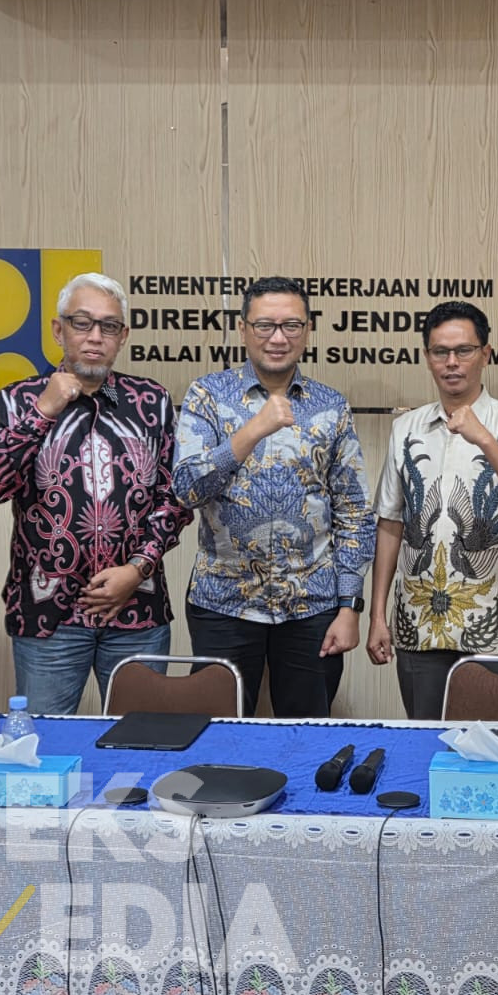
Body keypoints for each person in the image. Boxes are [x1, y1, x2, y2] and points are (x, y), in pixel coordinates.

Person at [0, 272, 192, 714]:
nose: (95, 337)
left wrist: (138, 568)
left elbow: (176, 497)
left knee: (141, 740)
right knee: (46, 743)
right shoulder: (19, 399)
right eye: (82, 323)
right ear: (59, 330)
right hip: (48, 617)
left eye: (108, 326)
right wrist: (44, 411)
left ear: (123, 336)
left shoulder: (151, 401)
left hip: (137, 609)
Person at [172, 276, 376, 717]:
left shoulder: (330, 406)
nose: (278, 338)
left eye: (291, 326)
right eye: (265, 325)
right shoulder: (207, 395)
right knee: (219, 732)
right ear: (243, 329)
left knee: (307, 733)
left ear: (307, 330)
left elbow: (355, 513)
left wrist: (349, 606)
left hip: (312, 606)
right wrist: (251, 431)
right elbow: (185, 489)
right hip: (223, 602)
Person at [366, 301, 498, 717]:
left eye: (463, 351)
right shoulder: (405, 427)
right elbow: (390, 523)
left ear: (486, 354)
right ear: (427, 357)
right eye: (440, 352)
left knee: (494, 745)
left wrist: (485, 439)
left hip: (497, 625)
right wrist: (378, 616)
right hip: (419, 623)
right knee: (425, 739)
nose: (452, 362)